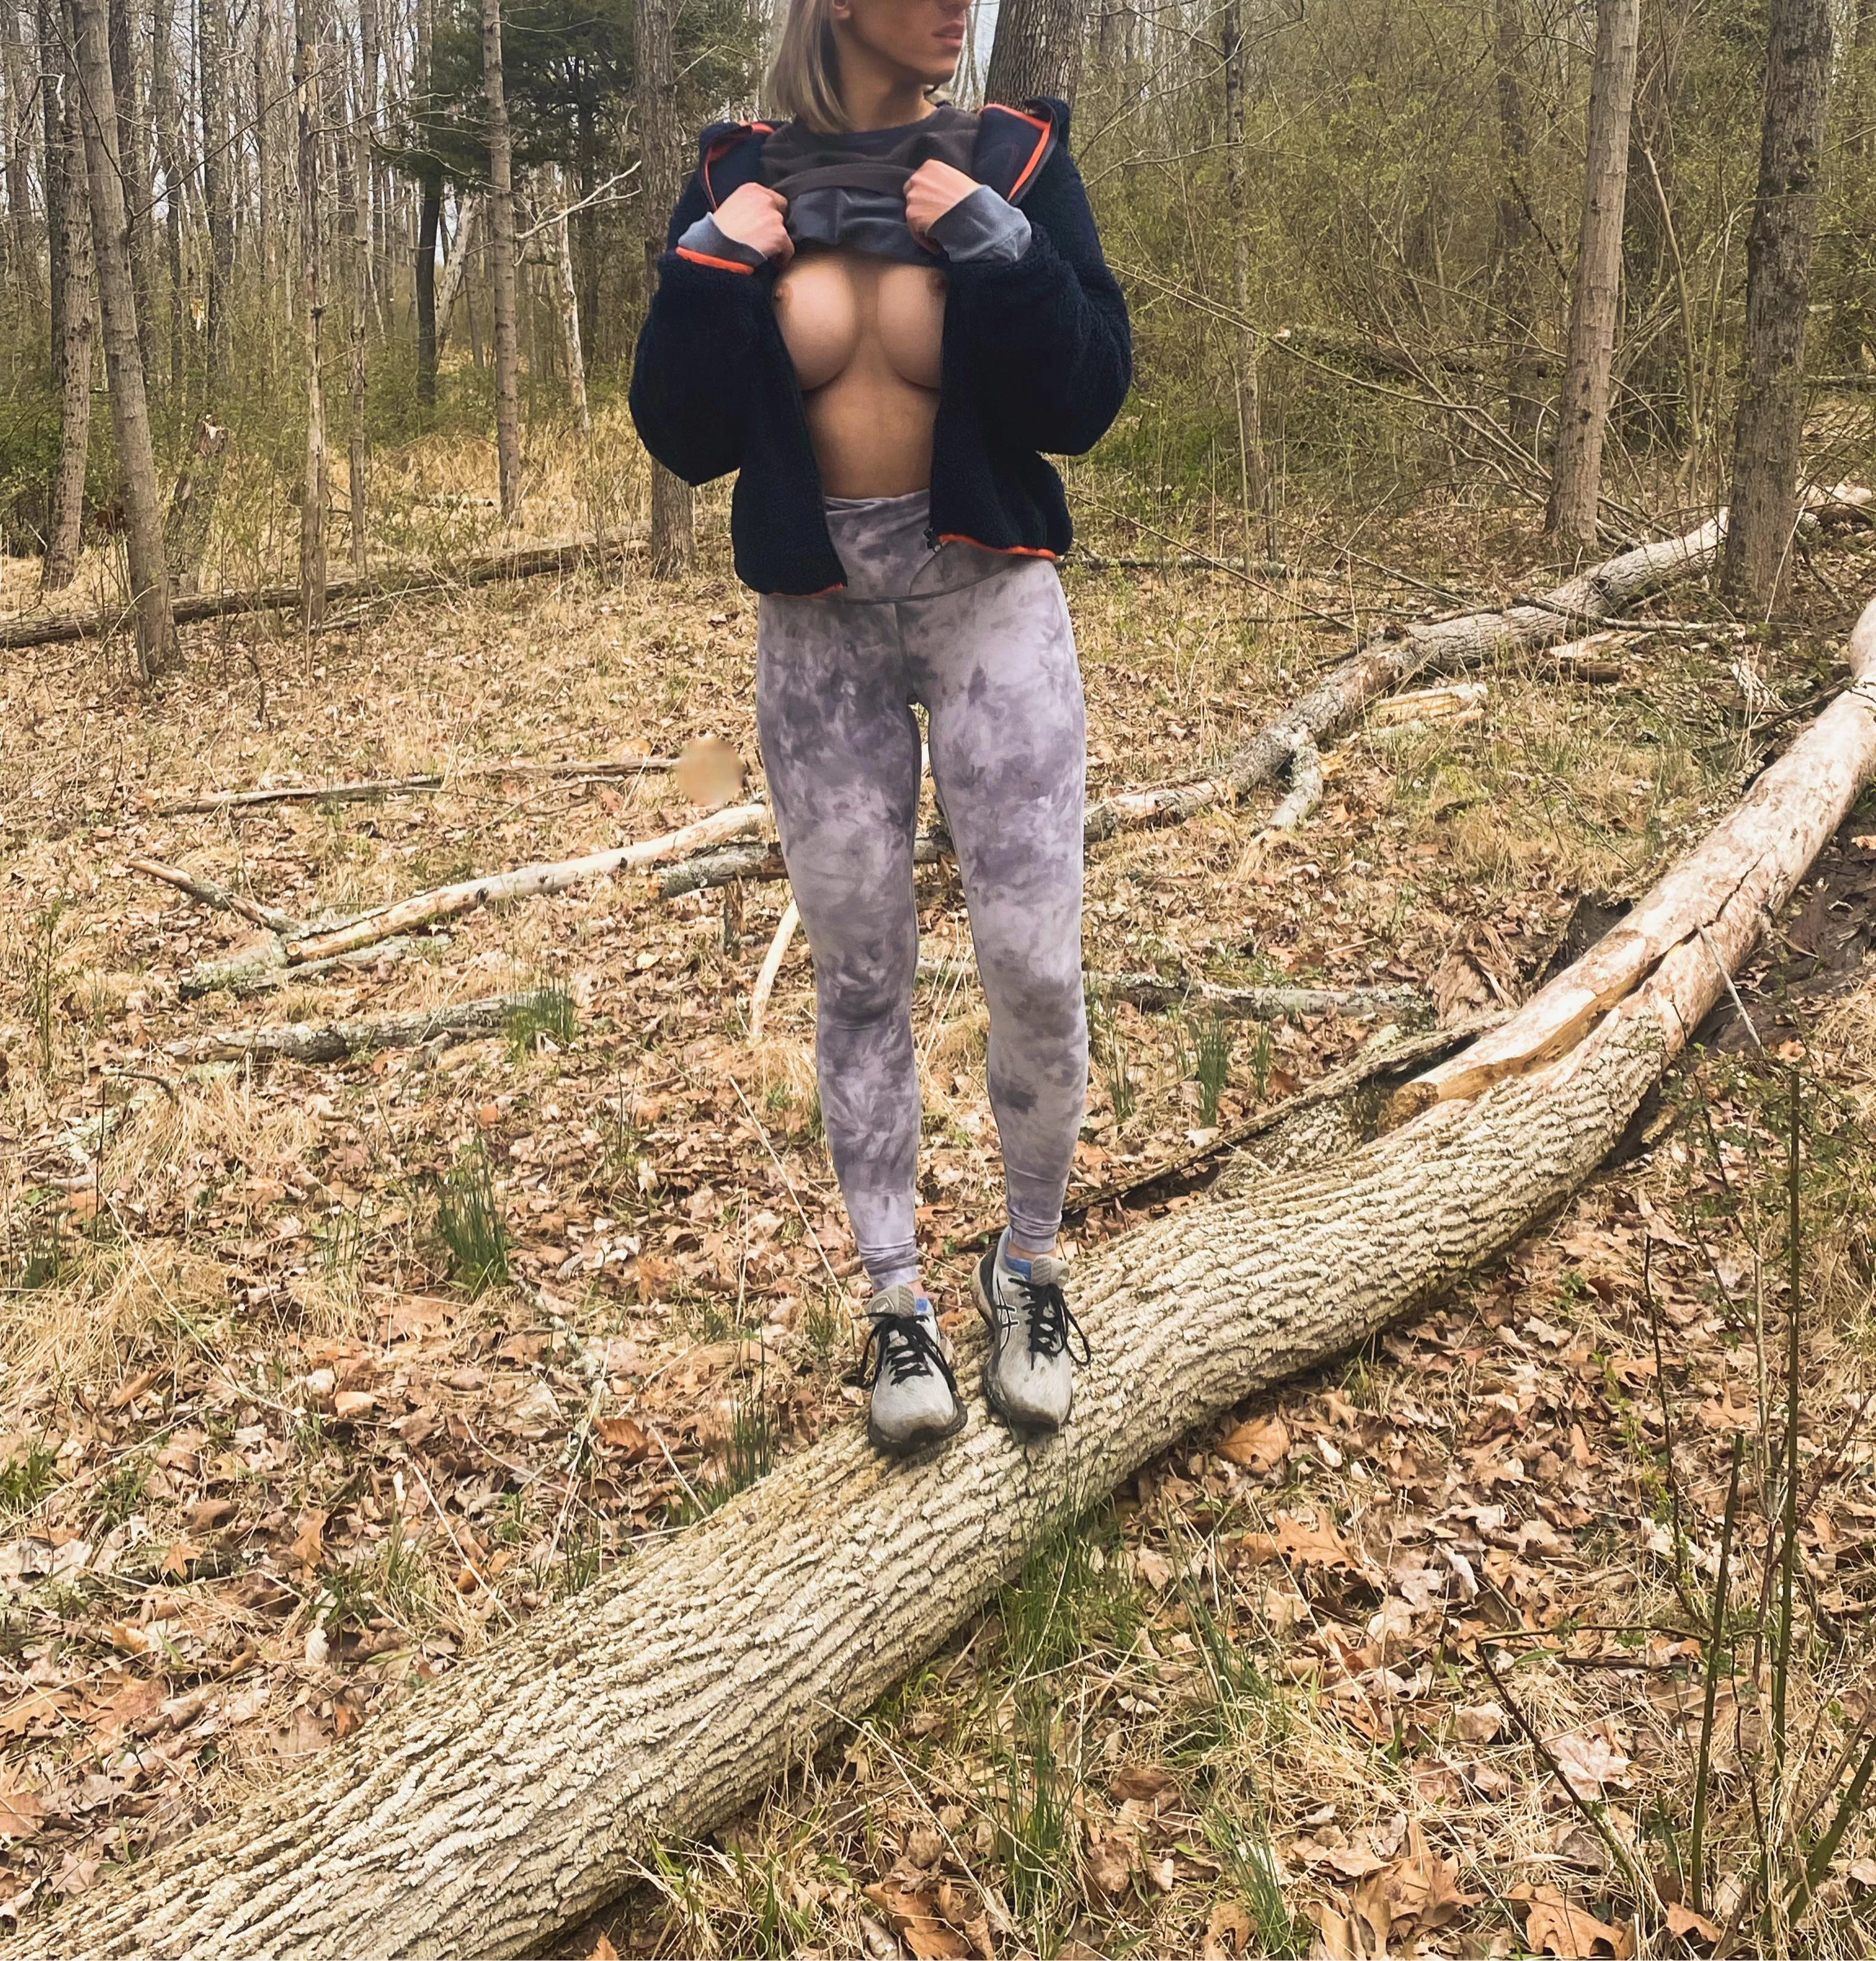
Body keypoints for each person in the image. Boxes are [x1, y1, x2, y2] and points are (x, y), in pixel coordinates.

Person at [630, 0, 1131, 1455]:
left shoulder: (1017, 159)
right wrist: (712, 272)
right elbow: (679, 431)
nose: (956, 6)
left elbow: (1090, 393)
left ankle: (1029, 1263)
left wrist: (1006, 250)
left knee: (1033, 962)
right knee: (859, 976)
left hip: (993, 606)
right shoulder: (740, 172)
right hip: (821, 624)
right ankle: (896, 1298)